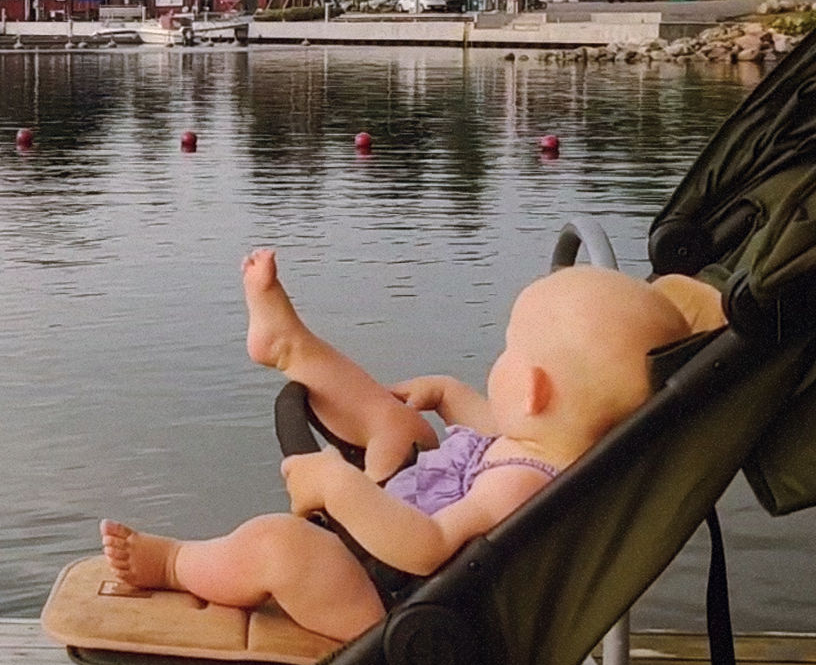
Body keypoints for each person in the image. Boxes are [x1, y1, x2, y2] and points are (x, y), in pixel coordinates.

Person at [100, 249, 691, 643]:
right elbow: (491, 428)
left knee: (279, 546)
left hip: (390, 599)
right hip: (388, 540)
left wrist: (338, 484)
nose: (501, 360)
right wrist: (449, 393)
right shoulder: (552, 444)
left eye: (510, 350)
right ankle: (289, 345)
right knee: (397, 423)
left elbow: (428, 547)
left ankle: (174, 563)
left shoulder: (520, 485)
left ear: (534, 389)